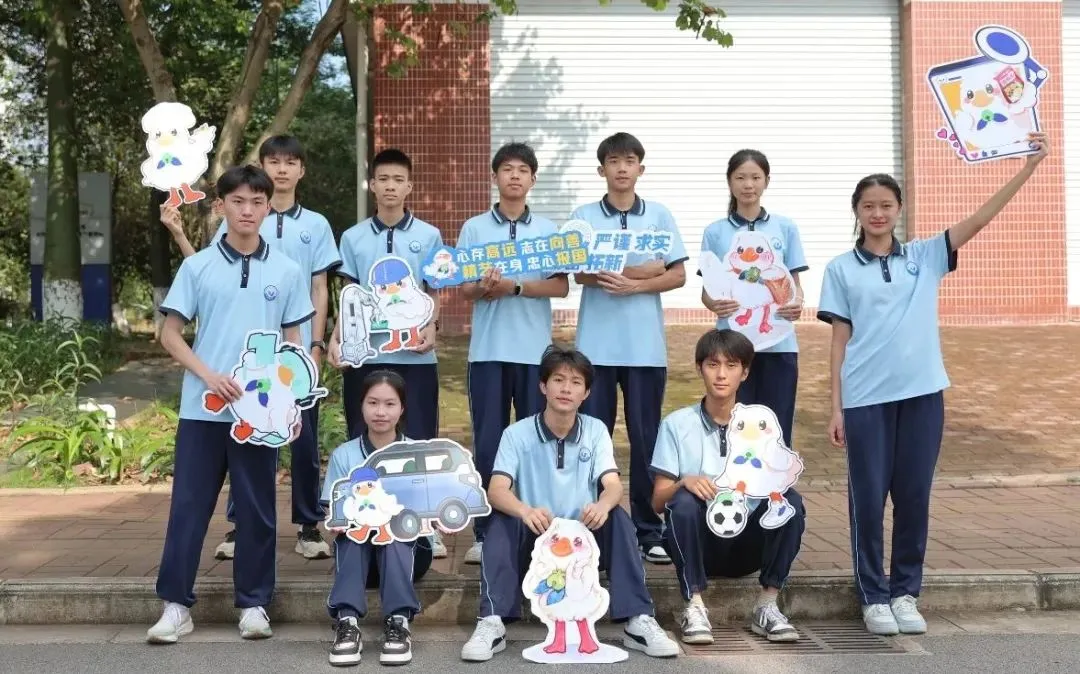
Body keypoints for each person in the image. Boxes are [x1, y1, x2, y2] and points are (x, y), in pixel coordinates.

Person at [817, 132, 1049, 636]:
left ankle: (905, 593)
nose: (877, 213)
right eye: (868, 206)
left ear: (899, 209)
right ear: (856, 211)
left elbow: (980, 220)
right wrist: (836, 407)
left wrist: (1027, 168)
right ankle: (873, 596)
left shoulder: (925, 256)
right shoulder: (840, 269)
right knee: (867, 500)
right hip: (865, 400)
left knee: (914, 497)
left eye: (886, 205)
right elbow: (838, 342)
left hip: (922, 396)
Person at [147, 165, 315, 643]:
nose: (247, 210)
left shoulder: (286, 270)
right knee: (189, 507)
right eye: (237, 201)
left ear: (267, 207)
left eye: (257, 202)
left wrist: (291, 405)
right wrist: (209, 376)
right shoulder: (197, 267)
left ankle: (255, 604)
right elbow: (169, 334)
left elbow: (293, 343)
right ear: (220, 206)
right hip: (202, 410)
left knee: (258, 509)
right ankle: (176, 606)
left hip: (259, 415)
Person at [166, 134, 341, 562]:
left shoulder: (304, 241)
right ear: (223, 205)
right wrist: (179, 233)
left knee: (283, 467)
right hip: (215, 390)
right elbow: (201, 284)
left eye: (290, 161)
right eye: (273, 161)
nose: (248, 209)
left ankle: (301, 534)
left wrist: (309, 356)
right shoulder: (215, 247)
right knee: (202, 493)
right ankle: (215, 554)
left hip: (274, 383)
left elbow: (314, 297)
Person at [460, 345, 679, 662]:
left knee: (617, 517)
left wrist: (602, 505)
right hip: (536, 540)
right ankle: (492, 620)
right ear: (543, 386)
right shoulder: (516, 434)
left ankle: (638, 619)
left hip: (582, 542)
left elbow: (612, 485)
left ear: (586, 392)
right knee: (502, 521)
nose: (566, 389)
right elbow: (496, 490)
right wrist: (524, 510)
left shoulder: (595, 430)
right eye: (558, 380)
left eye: (576, 382)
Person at [570, 132, 688, 565]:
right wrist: (639, 268)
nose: (622, 168)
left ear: (641, 167)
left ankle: (648, 529)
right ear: (601, 169)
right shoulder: (584, 217)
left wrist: (635, 282)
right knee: (592, 438)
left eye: (630, 160)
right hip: (595, 350)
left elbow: (677, 274)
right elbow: (578, 272)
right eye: (614, 161)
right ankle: (593, 529)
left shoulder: (659, 215)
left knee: (646, 438)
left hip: (644, 350)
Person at [650, 329, 805, 645]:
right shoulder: (676, 424)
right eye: (713, 364)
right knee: (682, 502)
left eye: (731, 365)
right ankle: (694, 605)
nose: (721, 374)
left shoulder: (761, 424)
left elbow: (779, 477)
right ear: (699, 368)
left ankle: (767, 605)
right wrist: (684, 482)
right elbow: (657, 502)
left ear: (745, 372)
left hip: (748, 545)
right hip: (701, 545)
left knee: (790, 501)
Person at [328, 148, 446, 558]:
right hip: (366, 357)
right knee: (364, 436)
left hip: (416, 357)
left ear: (409, 186)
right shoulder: (353, 237)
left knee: (420, 439)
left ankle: (425, 524)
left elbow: (433, 291)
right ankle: (362, 518)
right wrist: (336, 339)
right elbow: (349, 295)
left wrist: (432, 327)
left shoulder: (429, 236)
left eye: (398, 180)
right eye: (384, 179)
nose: (391, 187)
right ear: (372, 186)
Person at [457, 142, 570, 565]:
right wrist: (485, 287)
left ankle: (536, 528)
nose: (515, 176)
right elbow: (464, 290)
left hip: (534, 354)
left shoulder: (549, 229)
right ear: (495, 177)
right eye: (507, 169)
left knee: (535, 442)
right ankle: (485, 532)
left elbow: (560, 286)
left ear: (533, 179)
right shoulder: (474, 229)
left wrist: (516, 286)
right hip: (487, 352)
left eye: (523, 170)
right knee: (488, 441)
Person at [322, 369, 435, 666]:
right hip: (360, 558)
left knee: (394, 532)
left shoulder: (416, 454)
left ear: (402, 408)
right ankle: (347, 624)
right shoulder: (345, 455)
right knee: (352, 534)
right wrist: (337, 522)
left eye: (389, 404)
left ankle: (398, 622)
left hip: (408, 554)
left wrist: (436, 523)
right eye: (373, 403)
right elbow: (331, 508)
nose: (381, 412)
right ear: (361, 405)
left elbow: (427, 511)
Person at [699, 149, 808, 448]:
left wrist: (796, 303)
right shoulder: (715, 232)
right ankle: (732, 477)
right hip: (731, 345)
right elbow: (707, 291)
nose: (748, 185)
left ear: (767, 181)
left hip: (779, 343)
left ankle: (776, 477)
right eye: (741, 178)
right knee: (733, 422)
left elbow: (795, 285)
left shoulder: (785, 227)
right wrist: (714, 304)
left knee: (776, 424)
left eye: (756, 178)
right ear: (729, 182)